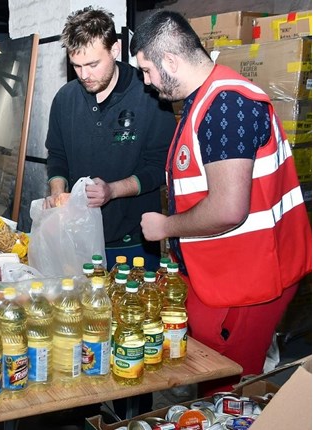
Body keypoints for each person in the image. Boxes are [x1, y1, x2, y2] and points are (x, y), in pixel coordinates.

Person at [131, 11, 312, 394]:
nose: (146, 82)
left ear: (171, 61)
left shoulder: (225, 104)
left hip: (250, 280)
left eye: (147, 70)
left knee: (227, 391)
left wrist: (165, 227)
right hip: (230, 272)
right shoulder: (207, 99)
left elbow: (229, 208)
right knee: (215, 379)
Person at [44, 6, 176, 272]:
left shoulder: (149, 94)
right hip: (78, 237)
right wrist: (58, 193)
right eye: (77, 66)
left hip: (133, 240)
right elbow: (57, 155)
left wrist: (112, 190)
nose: (84, 75)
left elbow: (160, 167)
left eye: (93, 64)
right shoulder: (64, 99)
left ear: (115, 50)